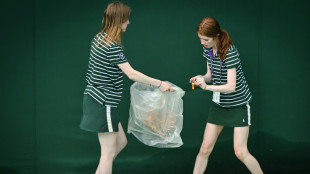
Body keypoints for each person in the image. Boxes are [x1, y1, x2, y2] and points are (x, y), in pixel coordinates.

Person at [80, 2, 174, 174]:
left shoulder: (99, 38)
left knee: (121, 142)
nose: (128, 23)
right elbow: (132, 74)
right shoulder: (112, 47)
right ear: (119, 20)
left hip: (99, 101)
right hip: (103, 102)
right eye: (126, 19)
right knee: (107, 153)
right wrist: (160, 84)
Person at [190, 17, 263, 174]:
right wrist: (202, 78)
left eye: (206, 39)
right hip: (219, 105)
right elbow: (211, 75)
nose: (202, 43)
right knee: (204, 149)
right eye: (200, 39)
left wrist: (207, 87)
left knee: (240, 152)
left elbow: (231, 87)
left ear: (216, 35)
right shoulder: (207, 49)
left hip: (238, 105)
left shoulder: (230, 52)